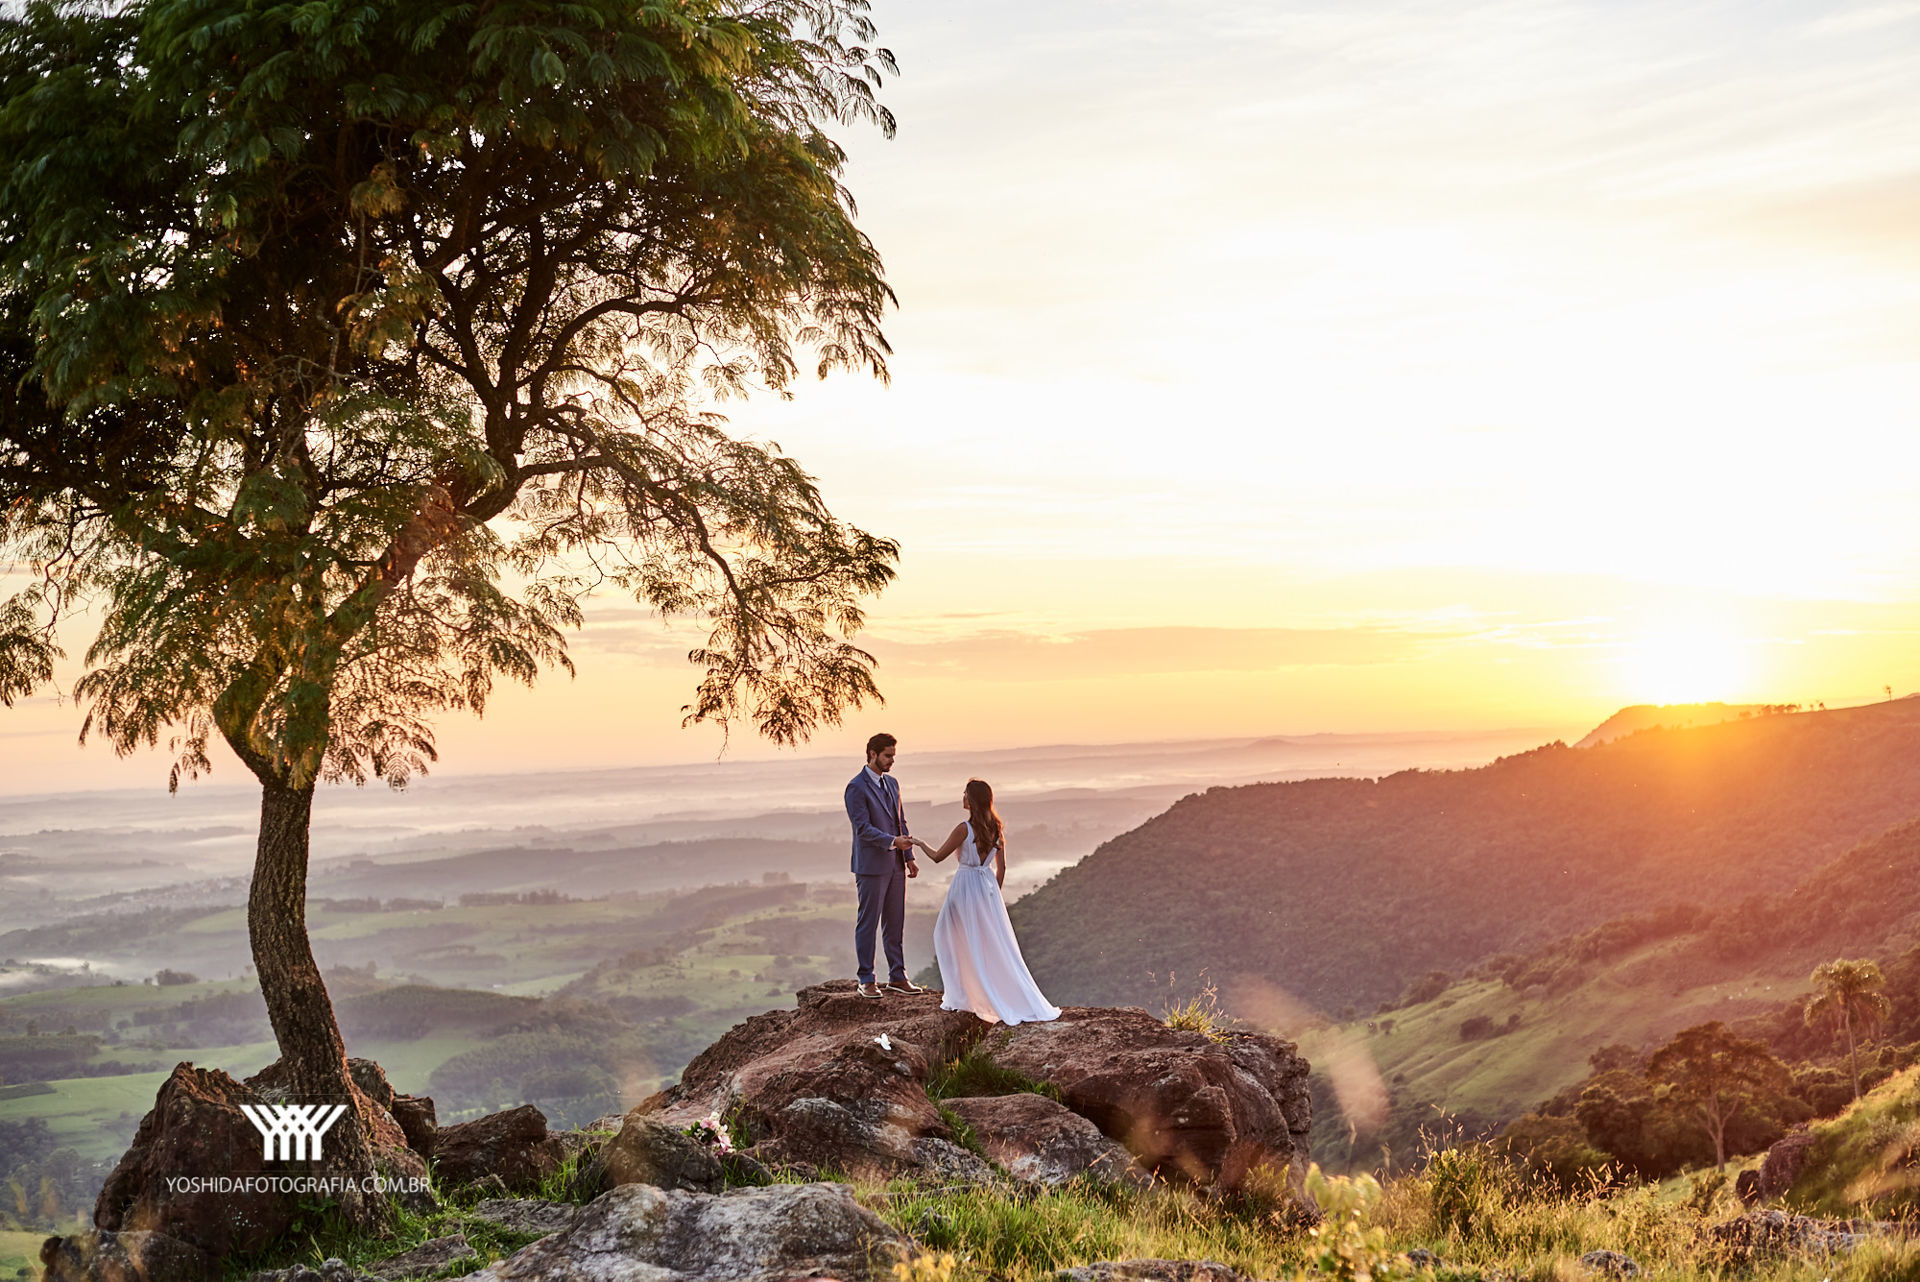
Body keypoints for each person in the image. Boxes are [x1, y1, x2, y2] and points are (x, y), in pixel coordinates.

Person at [914, 778, 1060, 1025]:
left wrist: (919, 843)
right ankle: (976, 994)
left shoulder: (964, 828)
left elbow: (939, 857)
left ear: (971, 800)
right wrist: (993, 896)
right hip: (986, 887)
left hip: (965, 886)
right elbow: (1001, 868)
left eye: (964, 794)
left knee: (947, 935)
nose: (962, 797)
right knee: (988, 942)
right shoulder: (996, 828)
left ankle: (962, 996)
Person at [844, 732, 923, 999]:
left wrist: (909, 856)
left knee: (895, 922)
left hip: (896, 865)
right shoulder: (856, 787)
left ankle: (898, 977)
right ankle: (866, 979)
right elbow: (862, 828)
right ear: (872, 754)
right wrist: (892, 842)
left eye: (893, 756)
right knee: (868, 923)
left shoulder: (893, 783)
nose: (891, 761)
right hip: (870, 866)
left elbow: (901, 820)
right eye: (887, 756)